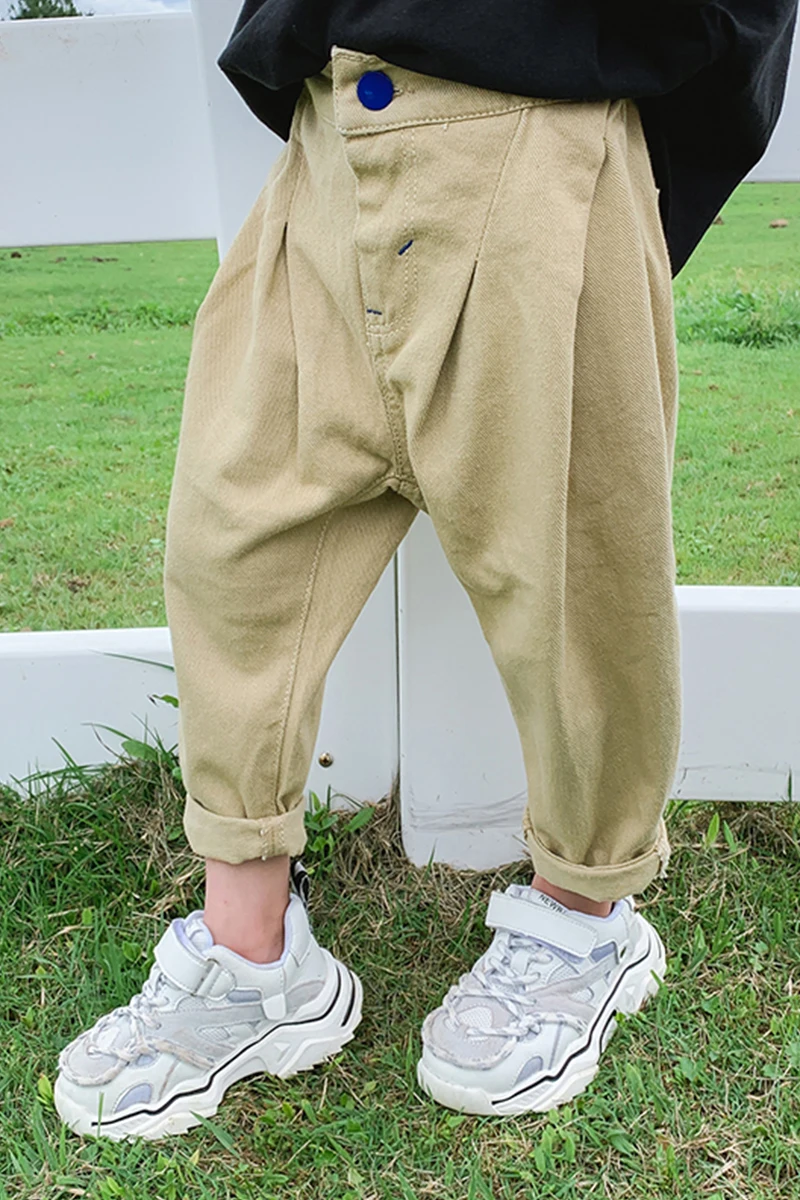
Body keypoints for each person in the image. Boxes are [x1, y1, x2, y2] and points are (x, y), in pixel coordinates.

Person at [54, 0, 797, 1138]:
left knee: (569, 573)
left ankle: (585, 916)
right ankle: (254, 957)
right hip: (328, 141)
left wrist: (603, 162)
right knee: (230, 544)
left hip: (543, 130)